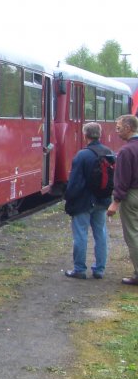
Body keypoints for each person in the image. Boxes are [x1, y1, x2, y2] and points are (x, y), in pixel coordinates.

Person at [64, 122, 113, 279]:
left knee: (80, 235)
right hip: (102, 200)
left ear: (85, 135)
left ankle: (79, 269)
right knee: (101, 234)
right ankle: (99, 269)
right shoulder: (108, 152)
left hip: (84, 202)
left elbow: (74, 182)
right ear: (100, 134)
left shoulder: (82, 155)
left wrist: (69, 199)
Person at [107, 114, 138, 285]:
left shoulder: (126, 151)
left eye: (118, 128)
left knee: (133, 235)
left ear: (128, 128)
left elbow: (122, 179)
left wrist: (115, 202)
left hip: (132, 195)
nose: (117, 132)